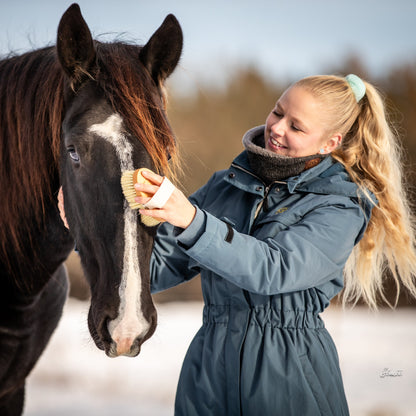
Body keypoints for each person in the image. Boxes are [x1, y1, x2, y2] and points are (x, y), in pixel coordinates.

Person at [59, 74, 416, 415]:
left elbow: (275, 270)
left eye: (296, 126)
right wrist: (84, 229)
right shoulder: (228, 185)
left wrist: (191, 219)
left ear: (330, 143)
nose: (277, 127)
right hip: (207, 381)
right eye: (278, 111)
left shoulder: (339, 206)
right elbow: (152, 270)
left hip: (288, 381)